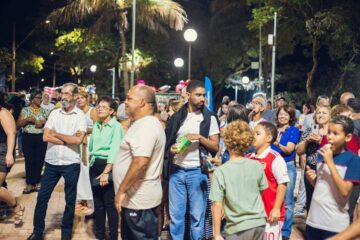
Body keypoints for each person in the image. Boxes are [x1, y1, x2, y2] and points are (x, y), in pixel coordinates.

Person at [27, 83, 86, 240]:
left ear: (74, 96)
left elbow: (78, 140)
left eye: (67, 94)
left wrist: (57, 134)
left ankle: (65, 234)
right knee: (42, 198)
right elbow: (46, 136)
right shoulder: (54, 114)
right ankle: (37, 232)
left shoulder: (80, 116)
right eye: (62, 93)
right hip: (52, 163)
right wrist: (67, 139)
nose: (64, 96)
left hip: (71, 163)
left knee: (70, 201)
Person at [164, 80, 219, 239]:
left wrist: (200, 138)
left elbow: (215, 147)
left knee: (197, 218)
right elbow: (168, 144)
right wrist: (172, 149)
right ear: (188, 95)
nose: (202, 98)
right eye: (198, 95)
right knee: (176, 218)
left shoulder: (209, 118)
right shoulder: (176, 118)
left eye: (203, 95)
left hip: (197, 172)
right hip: (177, 172)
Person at [113, 85, 166, 239]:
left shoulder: (147, 126)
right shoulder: (144, 124)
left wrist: (121, 191)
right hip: (136, 201)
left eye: (129, 98)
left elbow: (140, 162)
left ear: (142, 102)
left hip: (139, 201)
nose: (125, 102)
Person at [211, 120, 268, 240]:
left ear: (226, 142)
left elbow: (217, 205)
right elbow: (261, 192)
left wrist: (217, 234)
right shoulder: (257, 166)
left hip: (237, 227)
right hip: (259, 223)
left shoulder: (221, 171)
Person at [305, 115, 360, 239]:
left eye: (335, 133)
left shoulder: (353, 160)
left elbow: (345, 192)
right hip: (313, 220)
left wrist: (330, 163)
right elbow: (325, 187)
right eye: (329, 132)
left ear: (348, 137)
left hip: (334, 225)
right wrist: (313, 180)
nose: (330, 137)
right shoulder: (322, 154)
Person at [89, 96, 123, 240]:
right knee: (98, 204)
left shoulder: (116, 126)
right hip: (94, 165)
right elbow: (92, 147)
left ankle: (113, 236)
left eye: (103, 107)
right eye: (98, 106)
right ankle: (100, 235)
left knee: (109, 204)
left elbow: (115, 149)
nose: (99, 108)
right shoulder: (97, 125)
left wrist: (106, 171)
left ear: (112, 111)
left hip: (107, 166)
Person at [248, 122, 289, 240]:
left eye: (258, 133)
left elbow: (282, 184)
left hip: (270, 215)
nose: (253, 136)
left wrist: (276, 208)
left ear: (269, 138)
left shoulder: (275, 158)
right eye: (253, 133)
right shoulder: (249, 158)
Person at [271, 104, 300, 240]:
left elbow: (289, 149)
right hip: (272, 165)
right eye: (280, 114)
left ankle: (285, 233)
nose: (282, 116)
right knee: (272, 197)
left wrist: (277, 143)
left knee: (287, 201)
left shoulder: (293, 130)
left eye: (286, 114)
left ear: (290, 117)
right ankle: (272, 227)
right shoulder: (272, 129)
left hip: (287, 165)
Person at [296, 105, 331, 210]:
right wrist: (307, 141)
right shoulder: (310, 130)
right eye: (319, 113)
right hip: (311, 168)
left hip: (328, 168)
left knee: (326, 199)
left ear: (330, 116)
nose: (321, 115)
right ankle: (310, 225)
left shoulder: (333, 131)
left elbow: (336, 148)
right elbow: (298, 151)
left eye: (324, 113)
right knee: (311, 200)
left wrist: (320, 141)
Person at [17, 90, 48, 194]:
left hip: (41, 138)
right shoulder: (25, 110)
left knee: (39, 160)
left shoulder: (44, 111)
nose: (40, 100)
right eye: (38, 98)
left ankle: (37, 182)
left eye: (41, 98)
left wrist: (44, 122)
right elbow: (18, 125)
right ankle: (30, 183)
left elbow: (50, 123)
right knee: (29, 160)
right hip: (28, 137)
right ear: (32, 99)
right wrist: (27, 120)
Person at [0, 99, 25, 226]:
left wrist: (10, 153)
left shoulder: (3, 112)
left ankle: (16, 206)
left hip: (2, 151)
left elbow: (11, 133)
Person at [75, 91, 98, 213]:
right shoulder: (76, 112)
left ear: (87, 99)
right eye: (77, 98)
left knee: (89, 168)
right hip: (79, 143)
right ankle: (82, 199)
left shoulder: (92, 111)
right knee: (81, 171)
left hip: (89, 143)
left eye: (82, 98)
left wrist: (84, 130)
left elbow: (98, 126)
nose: (79, 100)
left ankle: (91, 198)